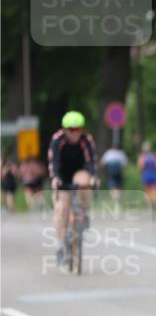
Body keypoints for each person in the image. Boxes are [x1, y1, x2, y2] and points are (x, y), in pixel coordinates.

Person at [48, 111, 97, 270]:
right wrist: (55, 178)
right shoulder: (57, 139)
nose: (74, 133)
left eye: (78, 129)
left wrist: (94, 177)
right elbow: (53, 161)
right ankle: (60, 244)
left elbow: (91, 161)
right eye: (71, 129)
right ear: (65, 129)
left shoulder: (86, 140)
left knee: (85, 182)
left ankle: (85, 212)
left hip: (79, 172)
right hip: (62, 174)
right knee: (61, 207)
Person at [99, 142, 127, 206]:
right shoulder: (121, 153)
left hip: (111, 172)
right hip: (118, 172)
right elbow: (124, 165)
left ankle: (115, 198)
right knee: (118, 186)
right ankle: (117, 198)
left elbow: (102, 163)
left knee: (112, 186)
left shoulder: (109, 153)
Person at [138, 141, 156, 209]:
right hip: (154, 174)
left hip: (146, 174)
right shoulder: (155, 155)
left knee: (147, 191)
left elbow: (140, 166)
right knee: (155, 190)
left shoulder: (142, 156)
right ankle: (155, 204)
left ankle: (149, 205)